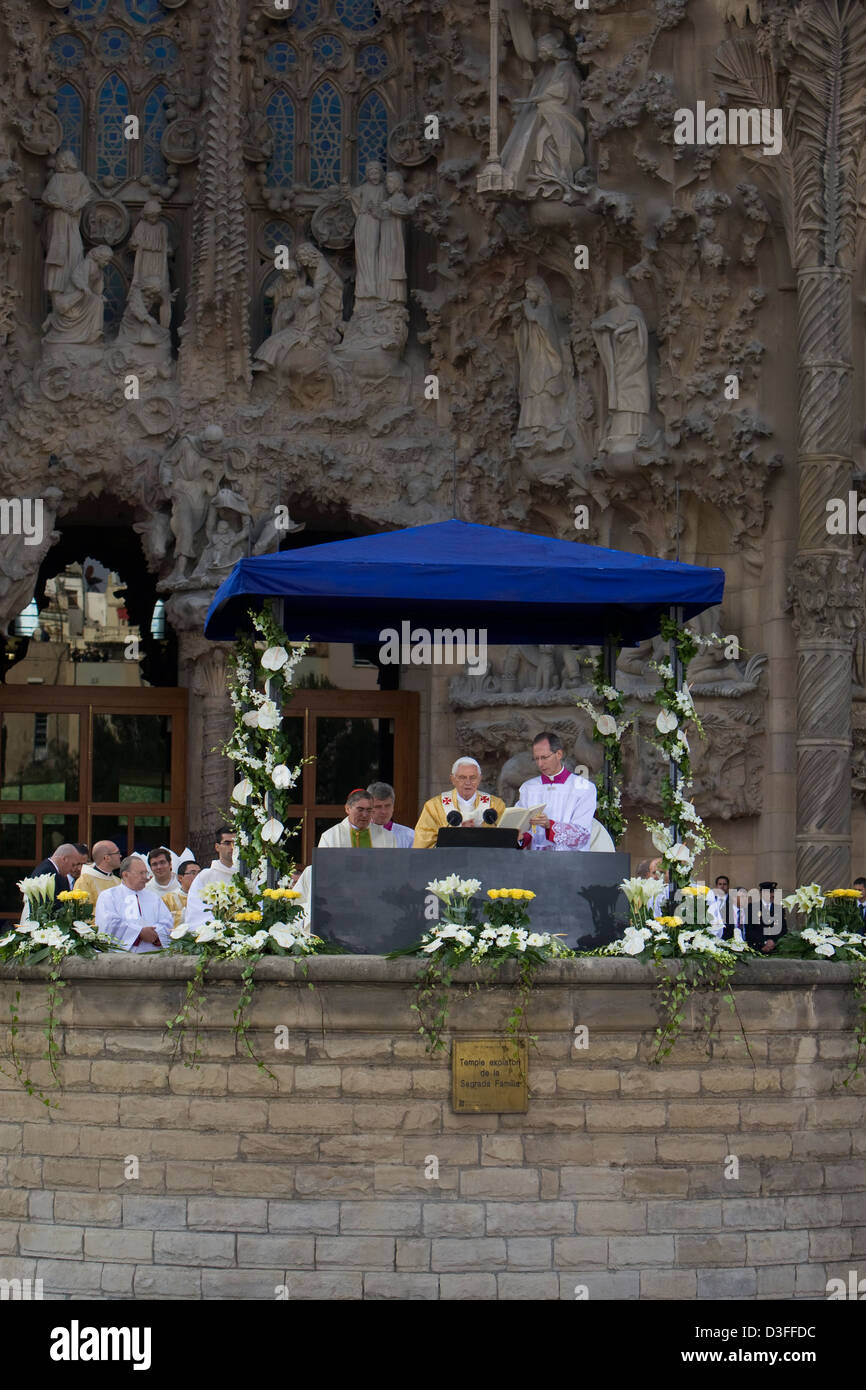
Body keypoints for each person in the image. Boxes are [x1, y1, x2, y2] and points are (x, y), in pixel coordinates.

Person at [516, 731, 597, 851]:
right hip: (534, 861)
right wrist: (521, 837)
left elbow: (582, 834)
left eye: (544, 757)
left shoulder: (584, 788)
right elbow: (524, 829)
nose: (540, 764)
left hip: (569, 862)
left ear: (559, 754)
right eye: (536, 759)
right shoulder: (528, 788)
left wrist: (550, 825)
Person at [413, 758, 507, 849]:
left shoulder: (495, 805)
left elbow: (505, 841)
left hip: (485, 861)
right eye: (462, 778)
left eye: (473, 777)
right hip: (448, 861)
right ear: (453, 779)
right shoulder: (434, 807)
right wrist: (458, 834)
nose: (468, 782)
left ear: (479, 779)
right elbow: (423, 844)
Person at [94, 855, 172, 953]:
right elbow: (108, 923)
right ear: (126, 874)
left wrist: (156, 934)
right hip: (121, 959)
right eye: (141, 873)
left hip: (154, 955)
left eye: (146, 873)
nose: (145, 877)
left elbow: (167, 921)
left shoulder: (153, 897)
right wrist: (139, 933)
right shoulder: (108, 896)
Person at [184, 826, 237, 929]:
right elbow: (196, 910)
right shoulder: (205, 876)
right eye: (227, 843)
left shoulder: (247, 875)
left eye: (235, 843)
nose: (232, 847)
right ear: (217, 847)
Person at [318, 790, 397, 848]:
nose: (365, 815)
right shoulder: (330, 837)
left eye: (369, 810)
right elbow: (323, 867)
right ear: (347, 809)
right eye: (360, 810)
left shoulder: (387, 837)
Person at [742, 880, 787, 953]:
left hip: (775, 949)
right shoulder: (752, 907)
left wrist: (773, 942)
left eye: (773, 892)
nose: (773, 895)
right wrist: (764, 942)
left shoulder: (779, 908)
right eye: (770, 892)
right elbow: (749, 930)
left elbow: (783, 930)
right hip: (757, 948)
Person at [146, 846, 184, 929]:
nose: (159, 867)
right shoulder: (146, 890)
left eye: (162, 862)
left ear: (170, 864)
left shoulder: (182, 884)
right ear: (151, 868)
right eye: (154, 864)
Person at [367, 781, 415, 848]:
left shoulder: (410, 836)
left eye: (387, 806)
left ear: (393, 807)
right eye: (378, 806)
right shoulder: (357, 835)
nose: (383, 811)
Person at [78, 841, 123, 907]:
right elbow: (83, 912)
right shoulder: (84, 882)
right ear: (106, 858)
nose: (120, 856)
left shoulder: (118, 881)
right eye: (117, 853)